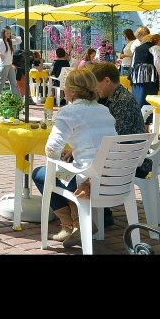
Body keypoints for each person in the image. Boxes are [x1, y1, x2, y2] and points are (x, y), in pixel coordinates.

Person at [31, 68, 117, 247]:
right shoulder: (104, 110)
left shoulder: (68, 111)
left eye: (65, 86)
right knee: (62, 173)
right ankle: (76, 224)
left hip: (87, 180)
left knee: (41, 173)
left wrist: (60, 162)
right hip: (115, 178)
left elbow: (51, 149)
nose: (63, 90)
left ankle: (71, 225)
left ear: (74, 91)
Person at [91, 62, 151, 228]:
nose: (96, 89)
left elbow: (114, 136)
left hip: (128, 162)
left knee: (80, 161)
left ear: (107, 80)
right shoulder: (115, 98)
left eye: (96, 84)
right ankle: (100, 211)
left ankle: (96, 212)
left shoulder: (121, 102)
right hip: (127, 156)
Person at [130, 32, 160, 131]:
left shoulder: (138, 48)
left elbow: (133, 63)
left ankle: (138, 126)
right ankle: (145, 127)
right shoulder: (155, 48)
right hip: (148, 77)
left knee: (138, 100)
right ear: (157, 41)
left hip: (136, 77)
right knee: (149, 100)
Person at [0, 27, 22, 104]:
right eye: (7, 33)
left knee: (14, 84)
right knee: (0, 84)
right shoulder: (0, 41)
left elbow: (19, 41)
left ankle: (18, 100)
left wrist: (13, 36)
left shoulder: (10, 41)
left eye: (10, 33)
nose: (9, 34)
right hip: (3, 66)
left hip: (9, 65)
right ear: (4, 33)